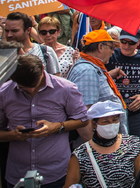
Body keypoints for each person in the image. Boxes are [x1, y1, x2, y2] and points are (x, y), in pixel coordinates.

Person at [0, 54, 89, 188]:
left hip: (56, 173)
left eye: (34, 84)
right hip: (18, 174)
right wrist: (13, 135)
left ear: (42, 69)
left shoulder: (66, 88)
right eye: (24, 88)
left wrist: (57, 127)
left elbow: (82, 119)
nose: (31, 90)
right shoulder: (4, 92)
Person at [65, 101, 140, 188]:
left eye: (115, 120)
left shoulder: (132, 144)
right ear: (94, 124)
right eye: (105, 121)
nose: (111, 124)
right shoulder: (80, 155)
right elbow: (70, 185)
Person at [107, 30, 140, 162]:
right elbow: (100, 77)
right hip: (115, 111)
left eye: (131, 43)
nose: (126, 46)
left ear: (139, 42)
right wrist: (111, 74)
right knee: (117, 145)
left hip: (138, 110)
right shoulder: (111, 55)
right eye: (123, 42)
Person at [67, 30, 126, 113]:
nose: (113, 52)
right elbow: (87, 112)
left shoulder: (91, 68)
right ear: (100, 47)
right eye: (111, 48)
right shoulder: (87, 71)